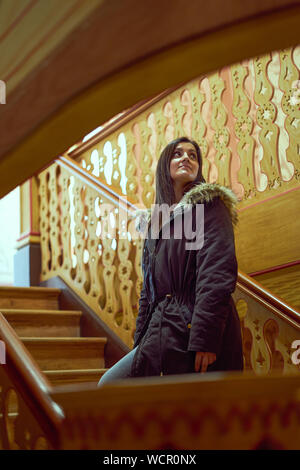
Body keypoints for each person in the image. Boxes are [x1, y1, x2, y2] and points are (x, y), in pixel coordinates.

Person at [98, 136, 243, 386]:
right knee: (116, 388)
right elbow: (148, 292)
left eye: (193, 155)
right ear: (165, 165)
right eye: (177, 154)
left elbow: (216, 274)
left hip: (193, 329)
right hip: (161, 331)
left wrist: (205, 339)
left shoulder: (208, 207)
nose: (186, 157)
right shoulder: (155, 224)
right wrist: (140, 344)